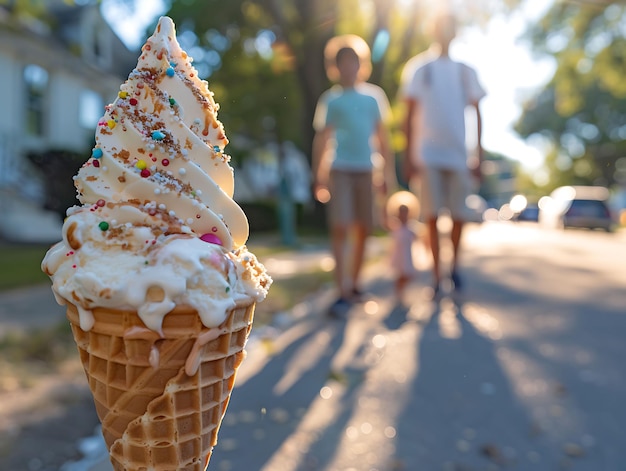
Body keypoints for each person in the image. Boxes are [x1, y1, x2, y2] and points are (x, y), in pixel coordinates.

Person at [401, 11, 486, 297]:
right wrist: (408, 156)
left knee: (459, 214)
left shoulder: (465, 71)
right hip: (427, 155)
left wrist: (479, 156)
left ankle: (455, 268)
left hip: (458, 155)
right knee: (432, 215)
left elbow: (477, 112)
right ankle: (437, 275)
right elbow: (409, 115)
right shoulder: (420, 68)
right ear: (433, 30)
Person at [312, 34, 394, 316]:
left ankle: (356, 284)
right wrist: (318, 176)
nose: (350, 67)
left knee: (364, 227)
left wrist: (388, 177)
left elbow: (383, 140)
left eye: (354, 62)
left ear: (362, 64)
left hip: (367, 170)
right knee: (341, 225)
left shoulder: (374, 97)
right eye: (344, 63)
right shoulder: (331, 100)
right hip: (340, 170)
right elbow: (322, 140)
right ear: (335, 67)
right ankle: (342, 290)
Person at [389, 202, 418, 300]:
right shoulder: (396, 228)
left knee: (409, 275)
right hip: (399, 256)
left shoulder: (411, 228)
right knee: (402, 274)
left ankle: (400, 289)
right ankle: (399, 291)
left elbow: (417, 238)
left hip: (407, 255)